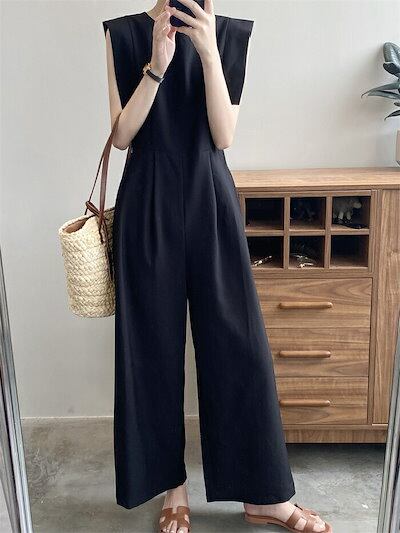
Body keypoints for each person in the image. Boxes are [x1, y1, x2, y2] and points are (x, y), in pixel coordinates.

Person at [102, 1, 332, 532]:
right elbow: (122, 135)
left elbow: (224, 135)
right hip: (148, 198)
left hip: (210, 193)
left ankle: (265, 497)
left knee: (239, 343)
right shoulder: (123, 34)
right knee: (151, 349)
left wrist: (207, 54)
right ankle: (172, 489)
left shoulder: (229, 35)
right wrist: (157, 66)